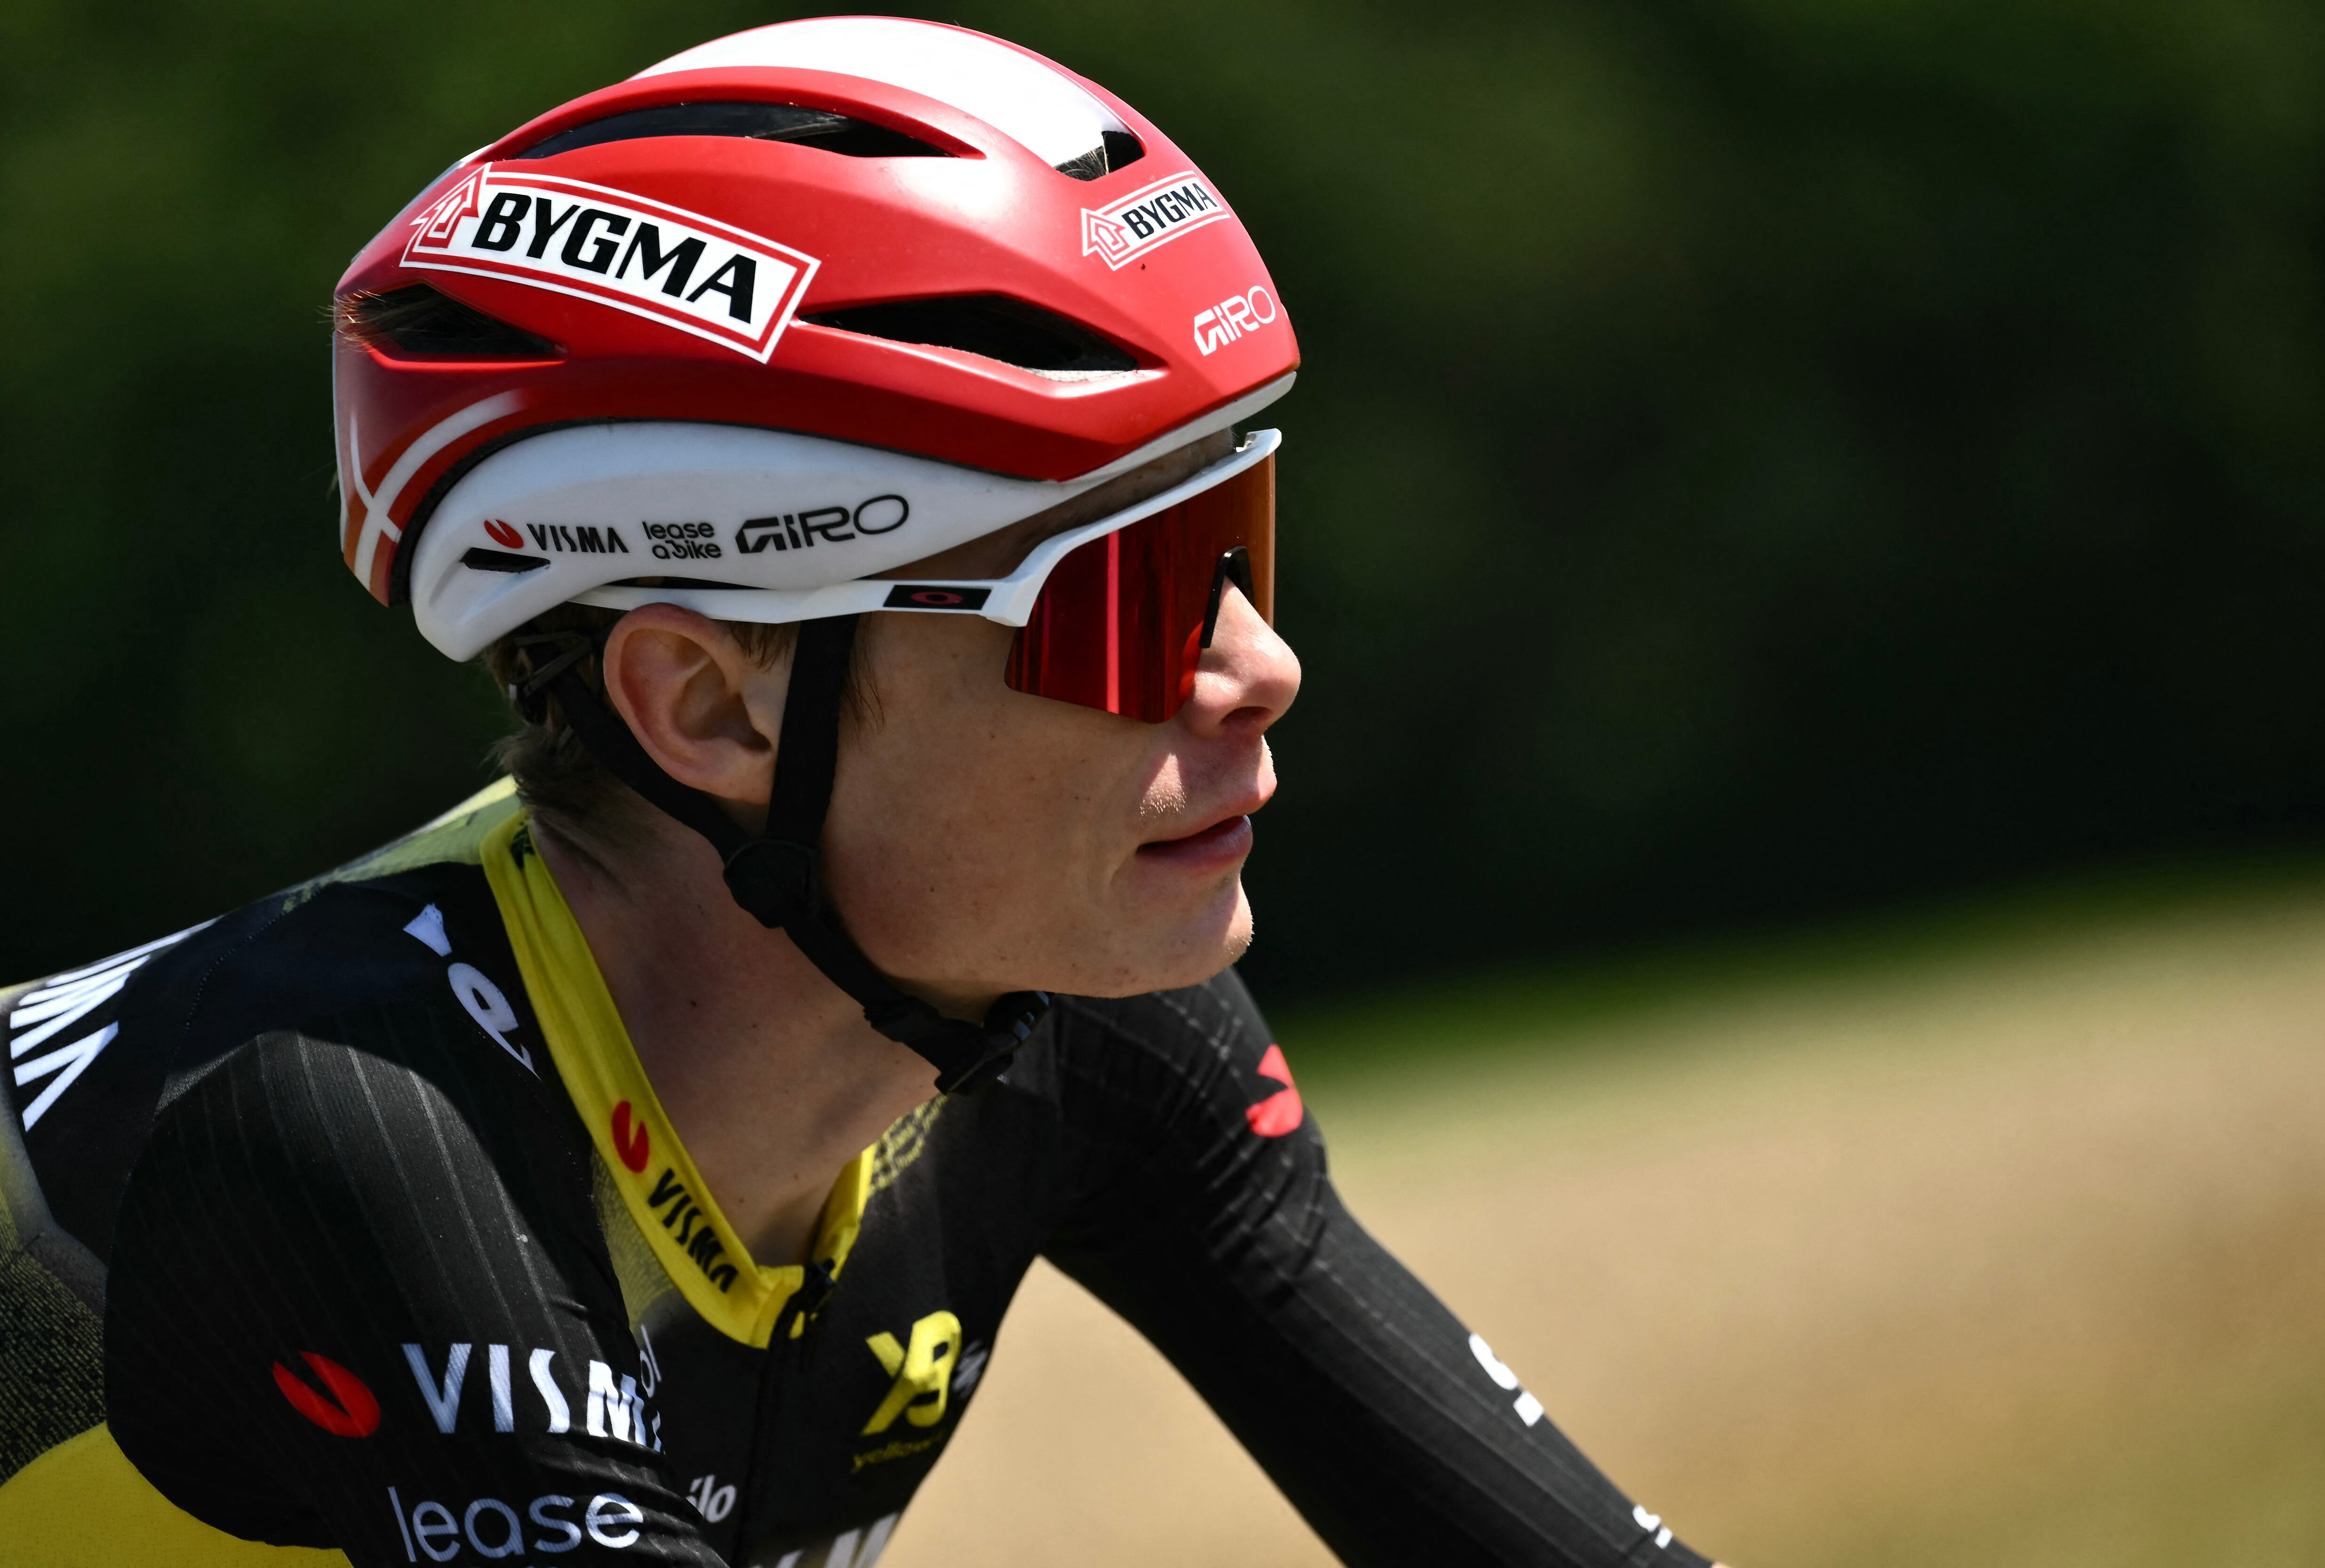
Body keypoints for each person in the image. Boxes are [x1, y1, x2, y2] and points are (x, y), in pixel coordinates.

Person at [0, 18, 1718, 1568]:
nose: (1257, 662)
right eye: (1130, 593)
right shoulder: (356, 1132)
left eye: (1240, 541)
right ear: (711, 706)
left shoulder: (1082, 1027)